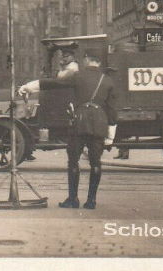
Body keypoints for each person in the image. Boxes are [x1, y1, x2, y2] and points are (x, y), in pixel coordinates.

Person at [19, 52, 117, 209]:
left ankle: (73, 199)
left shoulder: (78, 76)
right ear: (99, 63)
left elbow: (54, 83)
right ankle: (91, 201)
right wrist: (110, 136)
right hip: (99, 123)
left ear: (87, 59)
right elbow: (112, 111)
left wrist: (29, 86)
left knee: (73, 160)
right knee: (96, 162)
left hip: (80, 122)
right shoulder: (108, 80)